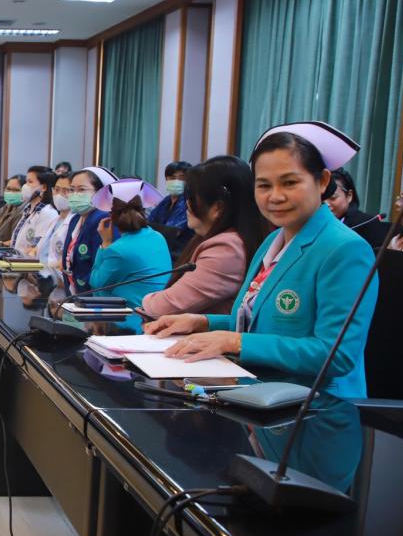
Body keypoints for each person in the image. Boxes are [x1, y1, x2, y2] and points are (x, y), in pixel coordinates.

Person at [147, 121, 378, 397]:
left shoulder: (345, 249)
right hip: (260, 394)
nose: (275, 196)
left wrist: (235, 342)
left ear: (323, 181)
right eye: (264, 185)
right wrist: (202, 322)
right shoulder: (274, 240)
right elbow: (259, 324)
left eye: (290, 182)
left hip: (316, 406)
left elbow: (335, 354)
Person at [141, 156, 269, 317]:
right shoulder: (215, 238)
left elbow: (165, 305)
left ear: (217, 208)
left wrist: (145, 301)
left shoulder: (226, 248)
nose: (187, 204)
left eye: (193, 198)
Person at [88, 179, 171, 307]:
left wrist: (105, 243)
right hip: (158, 310)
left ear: (111, 217)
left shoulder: (117, 250)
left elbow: (96, 282)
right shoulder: (158, 237)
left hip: (130, 315)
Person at [60, 166, 118, 292]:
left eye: (81, 189)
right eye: (72, 189)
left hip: (94, 295)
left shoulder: (104, 220)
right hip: (74, 292)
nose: (75, 195)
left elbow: (101, 266)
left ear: (101, 192)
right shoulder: (75, 219)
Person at [324, 167, 384, 247]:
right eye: (322, 198)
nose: (326, 204)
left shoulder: (366, 223)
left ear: (349, 196)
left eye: (333, 198)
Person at [8, 168, 59, 258]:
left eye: (30, 182)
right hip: (16, 262)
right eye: (26, 182)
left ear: (44, 187)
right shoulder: (28, 209)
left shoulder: (48, 213)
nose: (25, 186)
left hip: (28, 264)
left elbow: (36, 248)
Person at [149, 161, 190, 229]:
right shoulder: (166, 200)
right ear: (166, 179)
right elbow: (150, 221)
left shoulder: (188, 202)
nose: (176, 181)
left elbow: (171, 230)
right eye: (172, 178)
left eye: (182, 178)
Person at [0, 173, 25, 242]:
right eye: (8, 189)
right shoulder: (4, 208)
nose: (11, 192)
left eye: (16, 190)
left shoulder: (24, 212)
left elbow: (14, 241)